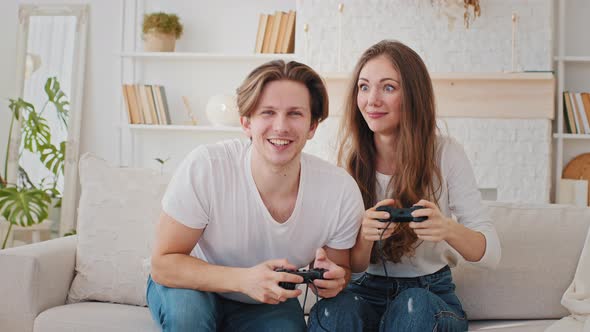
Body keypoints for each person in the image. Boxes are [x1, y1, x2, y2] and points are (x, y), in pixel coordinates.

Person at [146, 60, 364, 331]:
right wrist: (244, 280)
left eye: (295, 113)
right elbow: (163, 264)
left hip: (268, 299)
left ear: (312, 126)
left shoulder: (339, 191)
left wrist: (332, 280)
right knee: (188, 318)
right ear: (246, 123)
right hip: (192, 284)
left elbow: (339, 270)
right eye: (268, 113)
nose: (281, 126)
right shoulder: (207, 166)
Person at [308, 40, 501, 331]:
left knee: (413, 307)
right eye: (363, 87)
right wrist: (365, 237)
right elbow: (354, 266)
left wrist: (446, 228)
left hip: (429, 294)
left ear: (412, 94)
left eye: (388, 87)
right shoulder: (348, 161)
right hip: (365, 290)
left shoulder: (446, 153)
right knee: (332, 312)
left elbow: (491, 255)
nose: (372, 100)